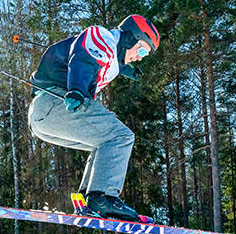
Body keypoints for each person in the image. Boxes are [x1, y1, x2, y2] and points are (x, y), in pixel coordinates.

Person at [28, 14, 159, 221]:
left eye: (146, 55)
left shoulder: (111, 54)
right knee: (120, 137)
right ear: (130, 38)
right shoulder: (103, 36)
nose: (141, 56)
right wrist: (77, 90)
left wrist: (127, 69)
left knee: (104, 145)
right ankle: (103, 197)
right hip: (57, 102)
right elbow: (83, 59)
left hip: (45, 118)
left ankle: (87, 198)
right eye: (142, 49)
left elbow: (106, 60)